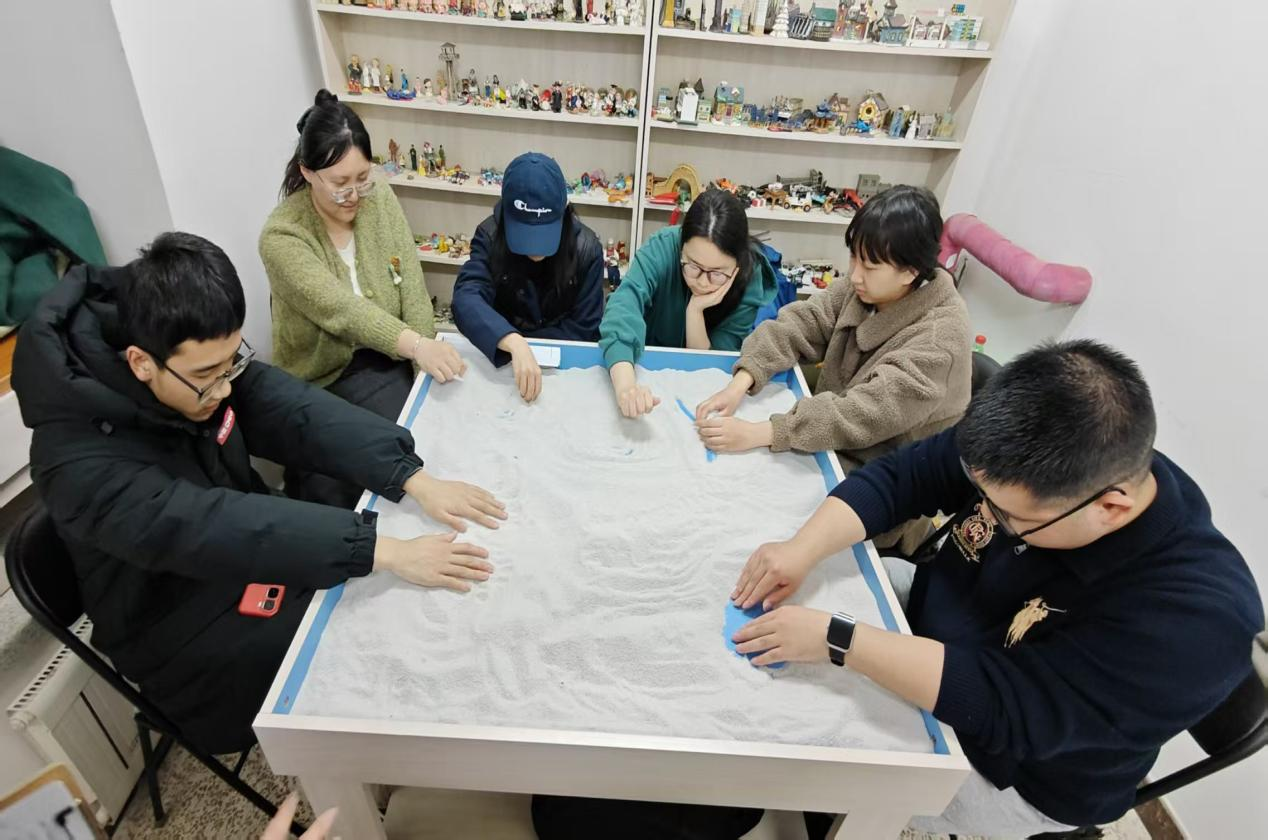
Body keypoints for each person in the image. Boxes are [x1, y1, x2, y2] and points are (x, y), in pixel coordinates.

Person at [728, 340, 1263, 836]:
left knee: (815, 756)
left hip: (1018, 768)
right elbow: (906, 478)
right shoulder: (1040, 450)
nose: (987, 512)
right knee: (818, 587)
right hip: (939, 622)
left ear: (1111, 508)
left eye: (1007, 517)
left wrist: (841, 640)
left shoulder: (1195, 622)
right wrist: (800, 550)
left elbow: (1005, 708)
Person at [12, 232, 507, 756]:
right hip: (176, 626)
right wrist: (380, 550)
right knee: (360, 627)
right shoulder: (74, 462)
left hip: (243, 551)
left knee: (378, 586)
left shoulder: (188, 357)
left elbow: (288, 408)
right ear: (140, 363)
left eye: (232, 362)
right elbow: (205, 524)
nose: (225, 386)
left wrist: (409, 476)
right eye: (208, 375)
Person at [695, 185, 972, 553]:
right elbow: (803, 322)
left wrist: (764, 432)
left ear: (910, 272)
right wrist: (743, 380)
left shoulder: (939, 341)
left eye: (869, 266)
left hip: (878, 487)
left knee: (752, 510)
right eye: (853, 257)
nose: (854, 275)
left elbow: (860, 413)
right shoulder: (867, 287)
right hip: (826, 444)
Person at [260, 89, 464, 507]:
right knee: (344, 482)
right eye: (339, 184)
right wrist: (417, 346)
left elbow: (411, 284)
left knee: (422, 445)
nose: (353, 194)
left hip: (385, 362)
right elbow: (341, 310)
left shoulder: (378, 196)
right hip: (322, 379)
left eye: (362, 178)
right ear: (307, 172)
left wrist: (422, 376)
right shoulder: (282, 237)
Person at [598, 188, 778, 418]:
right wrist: (626, 387)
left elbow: (711, 363)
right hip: (645, 365)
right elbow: (624, 305)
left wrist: (695, 311)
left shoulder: (750, 279)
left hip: (701, 392)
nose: (702, 282)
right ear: (681, 246)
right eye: (692, 266)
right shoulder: (663, 247)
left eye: (716, 273)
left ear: (737, 264)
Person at [451, 152, 604, 403]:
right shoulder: (489, 236)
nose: (535, 250)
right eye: (524, 233)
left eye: (544, 233)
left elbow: (585, 326)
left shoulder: (587, 249)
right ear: (506, 215)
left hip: (563, 361)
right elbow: (466, 298)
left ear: (564, 211)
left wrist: (531, 347)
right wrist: (513, 341)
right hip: (504, 355)